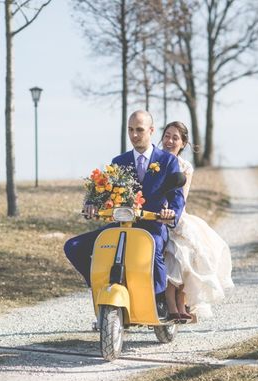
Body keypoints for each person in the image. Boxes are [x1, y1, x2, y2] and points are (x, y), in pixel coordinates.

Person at [64, 110, 185, 319]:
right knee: (74, 247)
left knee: (153, 247)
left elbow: (177, 196)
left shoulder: (167, 161)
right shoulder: (119, 161)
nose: (134, 135)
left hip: (153, 225)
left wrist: (170, 212)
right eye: (130, 130)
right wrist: (92, 203)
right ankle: (101, 287)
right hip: (122, 226)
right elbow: (102, 189)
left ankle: (159, 298)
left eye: (139, 130)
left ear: (151, 130)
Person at [160, 121, 234, 320]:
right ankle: (169, 300)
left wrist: (171, 214)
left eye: (175, 138)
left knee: (189, 249)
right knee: (173, 251)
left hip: (175, 213)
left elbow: (181, 196)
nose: (169, 141)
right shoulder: (154, 160)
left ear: (183, 143)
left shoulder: (185, 167)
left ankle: (182, 300)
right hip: (154, 213)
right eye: (167, 135)